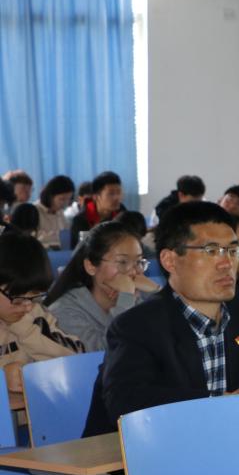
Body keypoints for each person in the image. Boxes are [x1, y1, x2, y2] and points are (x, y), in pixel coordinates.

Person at [83, 201, 239, 437]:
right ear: (170, 260)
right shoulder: (137, 325)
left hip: (222, 445)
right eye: (212, 251)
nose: (227, 263)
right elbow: (126, 402)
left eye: (233, 250)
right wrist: (222, 403)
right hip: (141, 456)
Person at [47, 221, 157, 352]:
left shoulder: (137, 299)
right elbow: (104, 353)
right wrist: (126, 299)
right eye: (123, 262)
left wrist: (157, 292)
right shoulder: (64, 311)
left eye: (138, 262)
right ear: (91, 266)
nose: (133, 271)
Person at [0, 233, 86, 399]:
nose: (27, 306)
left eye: (34, 298)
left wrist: (25, 328)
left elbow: (76, 359)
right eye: (18, 299)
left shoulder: (35, 315)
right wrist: (2, 380)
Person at [70, 171, 126, 247]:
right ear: (96, 197)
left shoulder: (121, 212)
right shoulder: (81, 219)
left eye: (119, 193)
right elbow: (81, 250)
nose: (117, 198)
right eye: (111, 193)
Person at [34, 175, 75, 249]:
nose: (66, 203)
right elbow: (33, 237)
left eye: (68, 199)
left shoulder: (60, 213)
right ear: (50, 196)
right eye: (62, 199)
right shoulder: (34, 211)